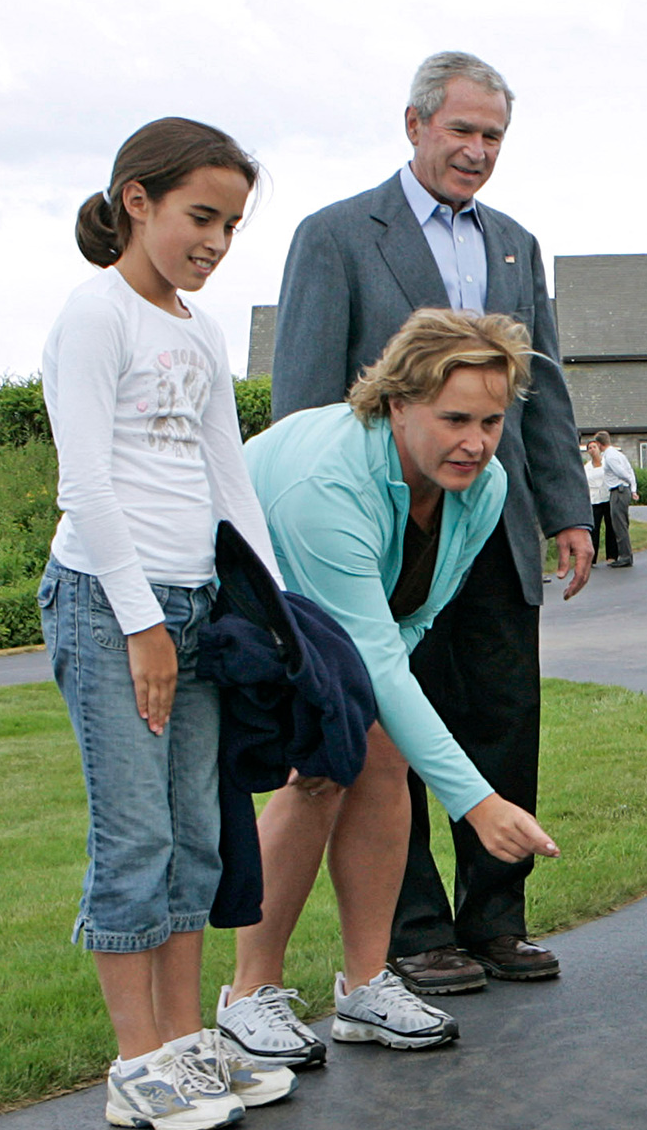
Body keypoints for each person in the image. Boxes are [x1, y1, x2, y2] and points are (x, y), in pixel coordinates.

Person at [271, 51, 591, 999]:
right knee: (381, 713)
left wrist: (568, 510)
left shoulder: (516, 244)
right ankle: (414, 931)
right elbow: (304, 399)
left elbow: (543, 390)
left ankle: (496, 916)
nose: (477, 151)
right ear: (414, 126)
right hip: (375, 520)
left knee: (502, 713)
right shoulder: (335, 236)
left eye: (493, 136)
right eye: (462, 130)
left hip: (492, 519)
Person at [40, 116, 293, 1130]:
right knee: (135, 837)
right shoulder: (95, 315)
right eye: (201, 216)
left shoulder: (198, 328)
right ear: (136, 202)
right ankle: (134, 1061)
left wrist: (278, 611)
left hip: (197, 604)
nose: (217, 241)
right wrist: (143, 623)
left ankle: (188, 1045)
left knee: (197, 834)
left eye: (231, 224)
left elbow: (226, 474)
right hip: (111, 603)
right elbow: (85, 481)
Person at [228, 310, 562, 1056]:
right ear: (396, 404)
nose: (474, 442)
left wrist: (387, 707)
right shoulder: (328, 483)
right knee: (317, 770)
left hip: (340, 621)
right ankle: (248, 995)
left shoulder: (486, 486)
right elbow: (370, 654)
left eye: (491, 420)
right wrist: (477, 801)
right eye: (453, 419)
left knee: (383, 752)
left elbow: (413, 618)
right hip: (227, 603)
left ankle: (365, 986)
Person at [594, 431, 636, 566]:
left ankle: (625, 556)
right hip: (623, 490)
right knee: (621, 523)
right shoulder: (618, 454)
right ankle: (625, 554)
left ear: (599, 444)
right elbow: (630, 470)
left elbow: (623, 473)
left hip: (618, 491)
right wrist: (633, 488)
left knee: (619, 524)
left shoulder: (610, 457)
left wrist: (628, 482)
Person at [583, 432, 613, 564]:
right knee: (594, 529)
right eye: (590, 448)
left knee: (610, 527)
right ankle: (592, 558)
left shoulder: (607, 463)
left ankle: (612, 555)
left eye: (594, 447)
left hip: (607, 497)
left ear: (599, 448)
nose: (592, 449)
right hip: (594, 499)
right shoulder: (587, 467)